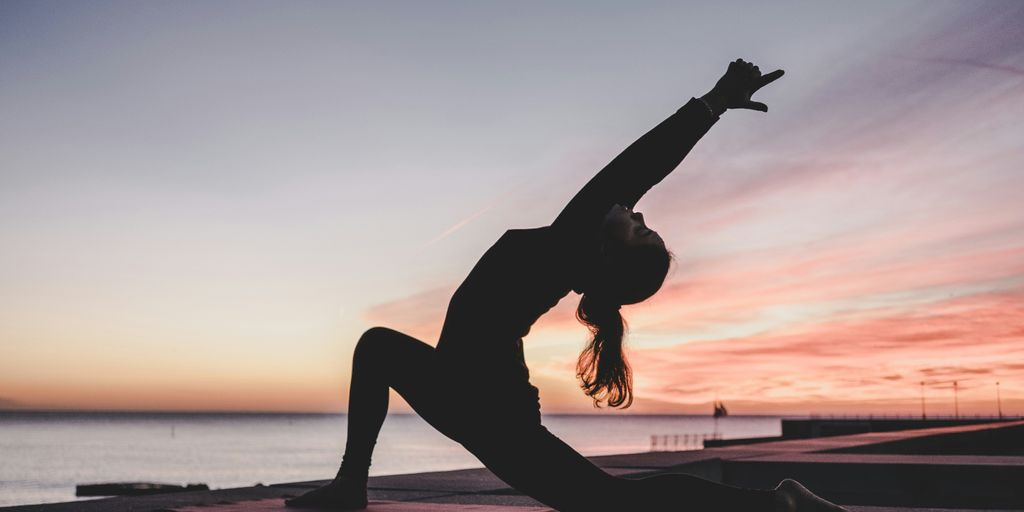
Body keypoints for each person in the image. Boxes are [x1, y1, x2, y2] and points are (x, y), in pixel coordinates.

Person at [286, 59, 847, 512]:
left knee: (607, 503)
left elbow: (636, 167)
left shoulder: (569, 243)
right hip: (474, 394)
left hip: (482, 403)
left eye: (639, 226)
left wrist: (712, 104)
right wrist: (712, 105)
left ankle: (778, 506)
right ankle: (350, 487)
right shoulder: (573, 253)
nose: (634, 212)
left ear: (606, 252)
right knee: (379, 348)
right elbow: (633, 179)